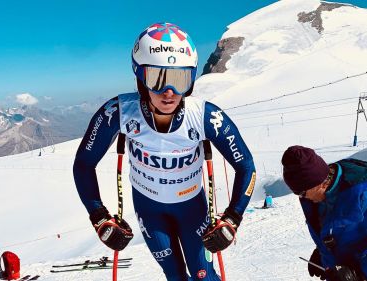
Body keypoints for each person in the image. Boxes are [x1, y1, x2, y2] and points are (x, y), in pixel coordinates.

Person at [73, 22, 256, 281]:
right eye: (157, 79)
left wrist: (233, 218)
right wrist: (99, 216)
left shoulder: (206, 116)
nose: (169, 92)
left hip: (192, 208)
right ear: (140, 78)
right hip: (150, 210)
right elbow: (83, 164)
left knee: (204, 275)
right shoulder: (118, 112)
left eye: (179, 79)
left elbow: (246, 165)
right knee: (175, 276)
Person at [281, 146, 367, 281]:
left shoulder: (366, 198)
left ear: (319, 184)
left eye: (301, 192)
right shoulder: (317, 199)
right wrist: (322, 252)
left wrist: (359, 272)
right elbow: (332, 228)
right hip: (343, 269)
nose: (301, 197)